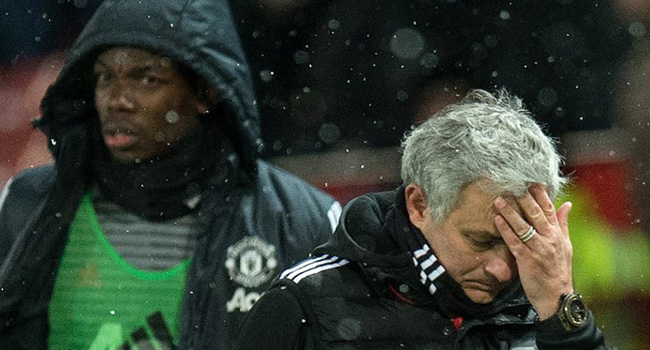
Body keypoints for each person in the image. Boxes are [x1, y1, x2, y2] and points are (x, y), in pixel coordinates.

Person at [0, 0, 341, 349]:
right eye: (105, 77)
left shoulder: (303, 220)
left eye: (146, 78)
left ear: (205, 90)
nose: (117, 100)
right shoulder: (25, 205)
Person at [233, 89, 608, 350]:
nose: (502, 270)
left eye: (517, 241)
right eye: (480, 241)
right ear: (419, 204)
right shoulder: (306, 305)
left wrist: (563, 317)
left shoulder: (544, 306)